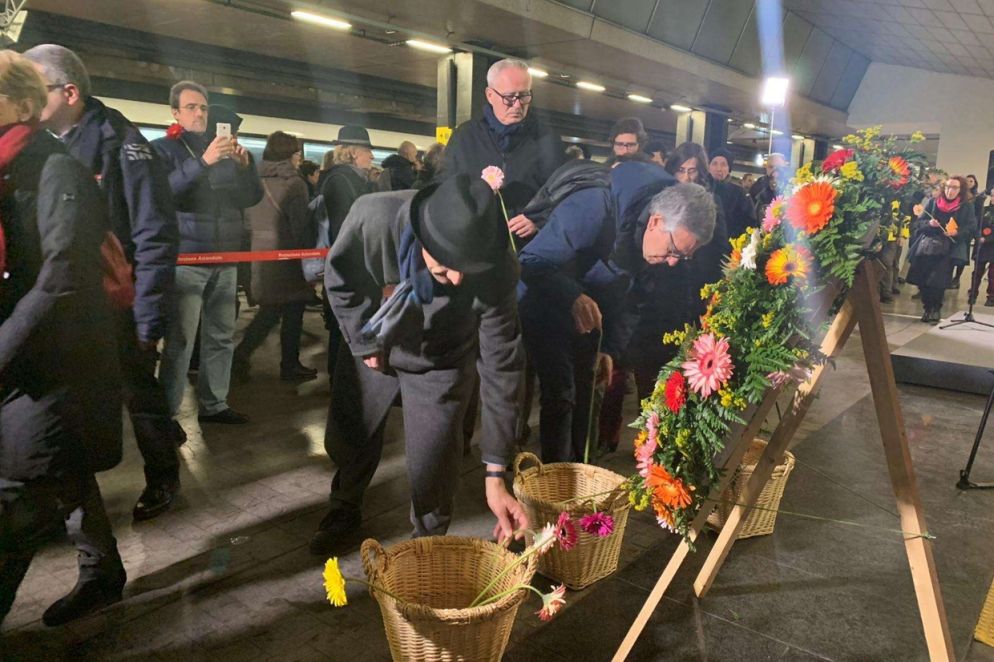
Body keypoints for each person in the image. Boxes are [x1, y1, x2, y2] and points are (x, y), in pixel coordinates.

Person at [311, 174, 529, 552]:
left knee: (435, 459)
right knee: (353, 433)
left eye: (469, 267)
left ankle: (427, 542)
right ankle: (344, 505)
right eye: (448, 263)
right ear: (425, 237)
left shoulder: (498, 268)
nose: (459, 278)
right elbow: (340, 280)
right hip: (375, 340)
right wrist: (363, 343)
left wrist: (496, 471)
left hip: (441, 360)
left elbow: (501, 367)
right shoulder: (374, 217)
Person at [24, 44, 184, 522]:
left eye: (38, 93)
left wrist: (148, 318)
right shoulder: (49, 143)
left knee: (139, 393)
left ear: (68, 92)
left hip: (118, 302)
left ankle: (163, 475)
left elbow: (154, 233)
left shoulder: (122, 143)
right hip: (71, 301)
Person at [0, 50, 124, 627]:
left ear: (21, 103)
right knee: (59, 468)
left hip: (50, 356)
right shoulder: (8, 164)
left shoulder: (55, 168)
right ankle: (102, 570)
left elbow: (62, 277)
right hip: (23, 353)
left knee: (20, 494)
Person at [518, 163, 716, 463]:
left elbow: (634, 299)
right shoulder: (594, 208)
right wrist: (573, 296)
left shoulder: (658, 247)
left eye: (684, 256)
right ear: (656, 222)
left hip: (592, 309)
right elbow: (530, 261)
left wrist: (610, 349)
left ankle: (579, 476)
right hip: (547, 298)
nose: (674, 262)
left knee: (589, 392)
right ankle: (555, 485)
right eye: (674, 250)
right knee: (561, 393)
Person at [152, 80, 263, 425]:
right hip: (188, 259)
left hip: (225, 256)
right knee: (181, 341)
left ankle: (214, 404)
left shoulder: (225, 151)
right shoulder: (163, 149)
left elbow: (250, 198)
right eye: (191, 107)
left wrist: (247, 170)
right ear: (175, 113)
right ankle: (167, 413)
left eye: (203, 107)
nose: (199, 113)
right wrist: (203, 162)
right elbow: (164, 193)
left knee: (221, 336)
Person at [441, 58, 565, 242]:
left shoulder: (548, 140)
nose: (517, 105)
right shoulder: (465, 137)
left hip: (528, 249)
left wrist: (539, 219)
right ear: (490, 95)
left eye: (524, 96)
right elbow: (444, 187)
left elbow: (563, 192)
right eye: (509, 97)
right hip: (476, 244)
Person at [232, 132, 317, 383]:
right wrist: (309, 258)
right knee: (292, 310)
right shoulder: (295, 183)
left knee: (270, 310)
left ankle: (243, 354)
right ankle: (288, 365)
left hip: (260, 253)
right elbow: (300, 224)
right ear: (292, 155)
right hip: (288, 255)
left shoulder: (254, 178)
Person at [320, 126, 376, 381]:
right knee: (343, 326)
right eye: (367, 151)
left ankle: (347, 379)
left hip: (354, 262)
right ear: (353, 153)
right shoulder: (341, 181)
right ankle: (340, 380)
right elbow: (346, 226)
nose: (371, 157)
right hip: (347, 264)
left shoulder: (349, 179)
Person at [907, 175, 976, 323]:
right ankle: (927, 308)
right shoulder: (933, 202)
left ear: (961, 190)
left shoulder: (966, 206)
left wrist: (957, 232)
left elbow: (971, 227)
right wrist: (929, 224)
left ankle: (935, 309)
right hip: (928, 246)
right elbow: (919, 224)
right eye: (948, 187)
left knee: (938, 281)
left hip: (948, 248)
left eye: (954, 188)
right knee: (923, 280)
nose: (950, 190)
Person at [706, 147, 754, 241]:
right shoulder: (701, 191)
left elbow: (749, 223)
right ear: (708, 167)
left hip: (730, 248)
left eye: (723, 164)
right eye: (714, 163)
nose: (719, 169)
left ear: (729, 168)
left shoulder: (740, 194)